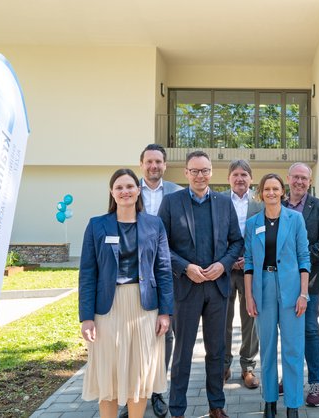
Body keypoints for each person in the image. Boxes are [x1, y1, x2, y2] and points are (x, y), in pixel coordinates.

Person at [79, 168, 173, 418]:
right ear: (112, 192)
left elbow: (163, 270)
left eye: (130, 186)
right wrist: (86, 317)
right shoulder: (97, 225)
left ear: (138, 190)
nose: (125, 191)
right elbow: (87, 274)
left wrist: (166, 312)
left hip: (144, 308)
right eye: (119, 187)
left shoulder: (154, 224)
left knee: (139, 373)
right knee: (107, 374)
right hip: (107, 310)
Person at [158, 150, 244, 418]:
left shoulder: (222, 202)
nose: (200, 175)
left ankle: (216, 406)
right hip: (186, 288)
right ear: (186, 173)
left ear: (211, 172)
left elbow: (236, 242)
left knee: (216, 351)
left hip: (218, 288)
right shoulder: (171, 203)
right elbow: (161, 245)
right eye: (194, 171)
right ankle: (178, 410)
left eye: (204, 170)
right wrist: (185, 268)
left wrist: (224, 264)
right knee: (182, 353)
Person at [119, 144, 183, 418]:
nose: (154, 166)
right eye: (149, 161)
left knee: (164, 333)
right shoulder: (130, 190)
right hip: (135, 275)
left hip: (169, 272)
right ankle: (128, 396)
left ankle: (157, 390)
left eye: (158, 161)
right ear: (141, 164)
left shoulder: (178, 193)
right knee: (130, 336)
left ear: (165, 164)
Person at [244, 173, 311, 418]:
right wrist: (249, 296)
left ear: (282, 192)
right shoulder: (252, 223)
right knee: (268, 348)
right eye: (266, 189)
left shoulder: (295, 219)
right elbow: (249, 262)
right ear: (261, 193)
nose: (271, 193)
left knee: (293, 349)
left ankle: (292, 404)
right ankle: (270, 401)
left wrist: (304, 294)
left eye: (275, 189)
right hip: (263, 288)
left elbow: (304, 257)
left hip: (292, 289)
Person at [284, 162, 319, 407]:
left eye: (304, 178)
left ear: (310, 180)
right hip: (282, 282)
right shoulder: (278, 206)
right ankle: (291, 377)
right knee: (286, 330)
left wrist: (301, 257)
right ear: (288, 178)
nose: (299, 182)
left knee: (309, 329)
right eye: (295, 177)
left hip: (311, 282)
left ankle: (316, 382)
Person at [221, 160, 263, 389]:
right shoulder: (218, 201)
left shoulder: (259, 204)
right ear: (229, 178)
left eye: (244, 174)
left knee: (250, 320)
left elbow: (264, 236)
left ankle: (248, 367)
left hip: (251, 269)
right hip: (225, 271)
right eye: (236, 174)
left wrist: (249, 259)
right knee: (222, 321)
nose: (240, 178)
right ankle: (224, 365)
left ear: (250, 178)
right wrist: (228, 260)